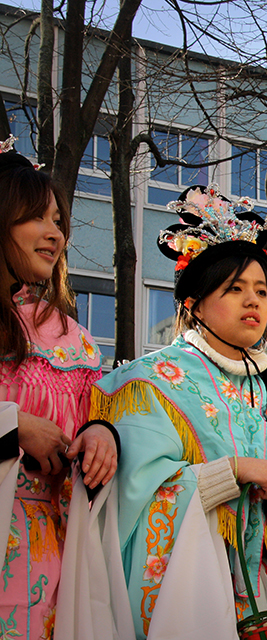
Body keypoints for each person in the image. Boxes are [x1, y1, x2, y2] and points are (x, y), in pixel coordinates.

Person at [87, 185, 267, 639]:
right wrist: (231, 471)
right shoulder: (149, 383)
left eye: (261, 290)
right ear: (192, 304)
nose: (254, 301)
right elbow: (135, 498)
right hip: (194, 588)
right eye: (234, 289)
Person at [0, 138, 118, 640]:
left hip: (56, 554)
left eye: (58, 220)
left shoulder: (68, 335)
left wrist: (101, 434)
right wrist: (14, 425)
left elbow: (96, 409)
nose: (56, 234)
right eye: (37, 218)